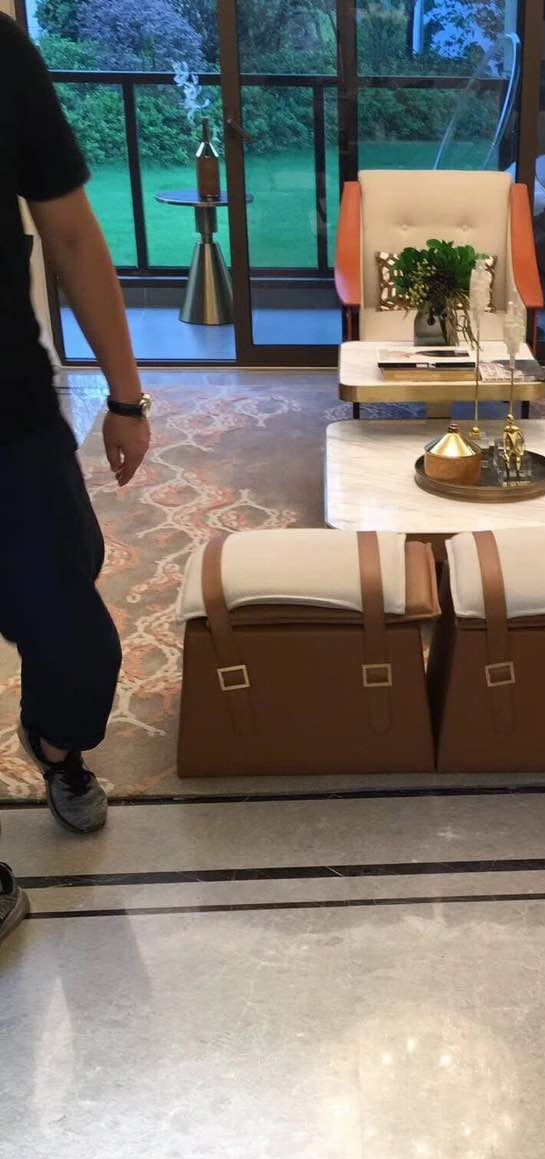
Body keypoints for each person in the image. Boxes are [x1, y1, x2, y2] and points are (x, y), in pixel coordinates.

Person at [1, 14, 149, 948]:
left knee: (76, 643)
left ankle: (57, 744)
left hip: (8, 417)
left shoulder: (0, 55)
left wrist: (126, 399)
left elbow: (71, 235)